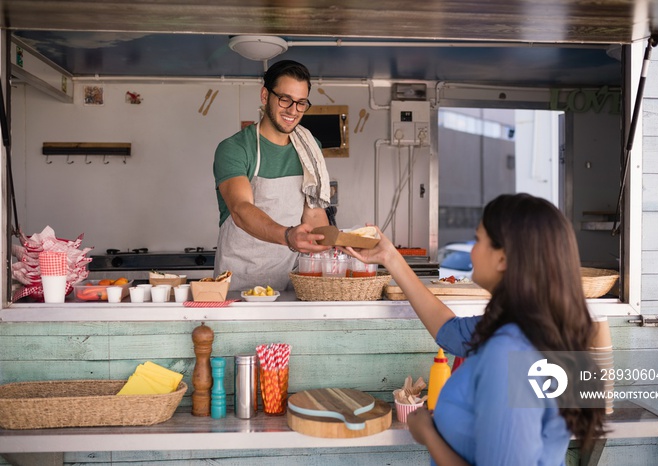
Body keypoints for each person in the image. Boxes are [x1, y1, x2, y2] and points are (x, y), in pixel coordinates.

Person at [342, 193, 606, 466]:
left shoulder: (508, 354)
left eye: (478, 240)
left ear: (502, 258)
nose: (471, 250)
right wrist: (390, 257)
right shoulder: (535, 326)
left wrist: (429, 435)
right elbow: (449, 332)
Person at [213, 60, 331, 291]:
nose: (293, 110)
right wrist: (288, 237)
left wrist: (337, 249)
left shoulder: (310, 148)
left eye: (301, 103)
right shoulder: (236, 148)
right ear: (265, 95)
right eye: (285, 99)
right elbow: (240, 210)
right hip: (240, 282)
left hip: (292, 282)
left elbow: (314, 214)